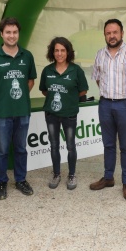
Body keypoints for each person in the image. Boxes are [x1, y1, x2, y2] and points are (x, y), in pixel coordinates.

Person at [89, 18, 126, 201]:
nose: (112, 36)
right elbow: (98, 78)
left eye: (115, 32)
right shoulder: (100, 55)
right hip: (105, 104)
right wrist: (109, 95)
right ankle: (108, 178)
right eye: (108, 33)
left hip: (125, 104)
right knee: (108, 144)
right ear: (105, 35)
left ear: (122, 33)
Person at [0, 17, 37, 200]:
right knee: (2, 150)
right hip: (1, 113)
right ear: (2, 34)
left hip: (22, 111)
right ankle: (2, 182)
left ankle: (21, 180)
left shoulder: (27, 56)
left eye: (14, 32)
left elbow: (30, 82)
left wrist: (18, 99)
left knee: (20, 148)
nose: (12, 36)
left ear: (18, 33)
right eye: (8, 32)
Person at [39, 37, 88, 190]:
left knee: (71, 146)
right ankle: (56, 173)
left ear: (68, 52)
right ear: (52, 52)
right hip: (51, 114)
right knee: (54, 145)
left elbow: (83, 90)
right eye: (56, 50)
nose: (59, 53)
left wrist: (68, 99)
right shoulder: (47, 70)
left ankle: (72, 175)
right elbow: (44, 90)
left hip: (69, 114)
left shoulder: (76, 70)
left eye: (62, 50)